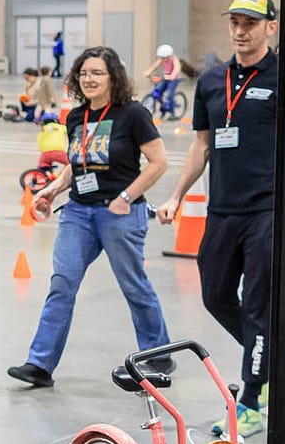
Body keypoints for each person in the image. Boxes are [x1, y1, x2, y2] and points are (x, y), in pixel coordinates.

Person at [158, 0, 285, 438]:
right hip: (223, 208)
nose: (241, 30)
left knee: (257, 303)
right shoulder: (213, 81)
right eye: (235, 21)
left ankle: (250, 400)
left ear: (271, 27)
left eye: (251, 23)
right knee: (215, 294)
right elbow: (202, 144)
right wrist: (176, 194)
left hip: (269, 208)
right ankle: (271, 352)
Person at [9, 47, 171, 388]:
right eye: (84, 73)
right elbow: (77, 163)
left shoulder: (133, 115)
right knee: (62, 283)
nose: (89, 79)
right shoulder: (76, 117)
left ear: (113, 77)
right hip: (79, 212)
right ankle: (40, 364)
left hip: (120, 213)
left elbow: (159, 162)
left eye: (97, 73)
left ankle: (158, 355)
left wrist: (127, 197)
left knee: (134, 285)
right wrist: (52, 190)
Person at [145, 45, 184, 117]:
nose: (164, 60)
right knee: (157, 93)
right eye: (163, 58)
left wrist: (173, 75)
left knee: (170, 95)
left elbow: (177, 68)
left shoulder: (174, 59)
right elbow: (154, 66)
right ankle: (163, 107)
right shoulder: (162, 59)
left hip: (174, 79)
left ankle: (172, 113)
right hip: (166, 78)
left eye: (166, 58)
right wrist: (148, 72)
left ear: (170, 55)